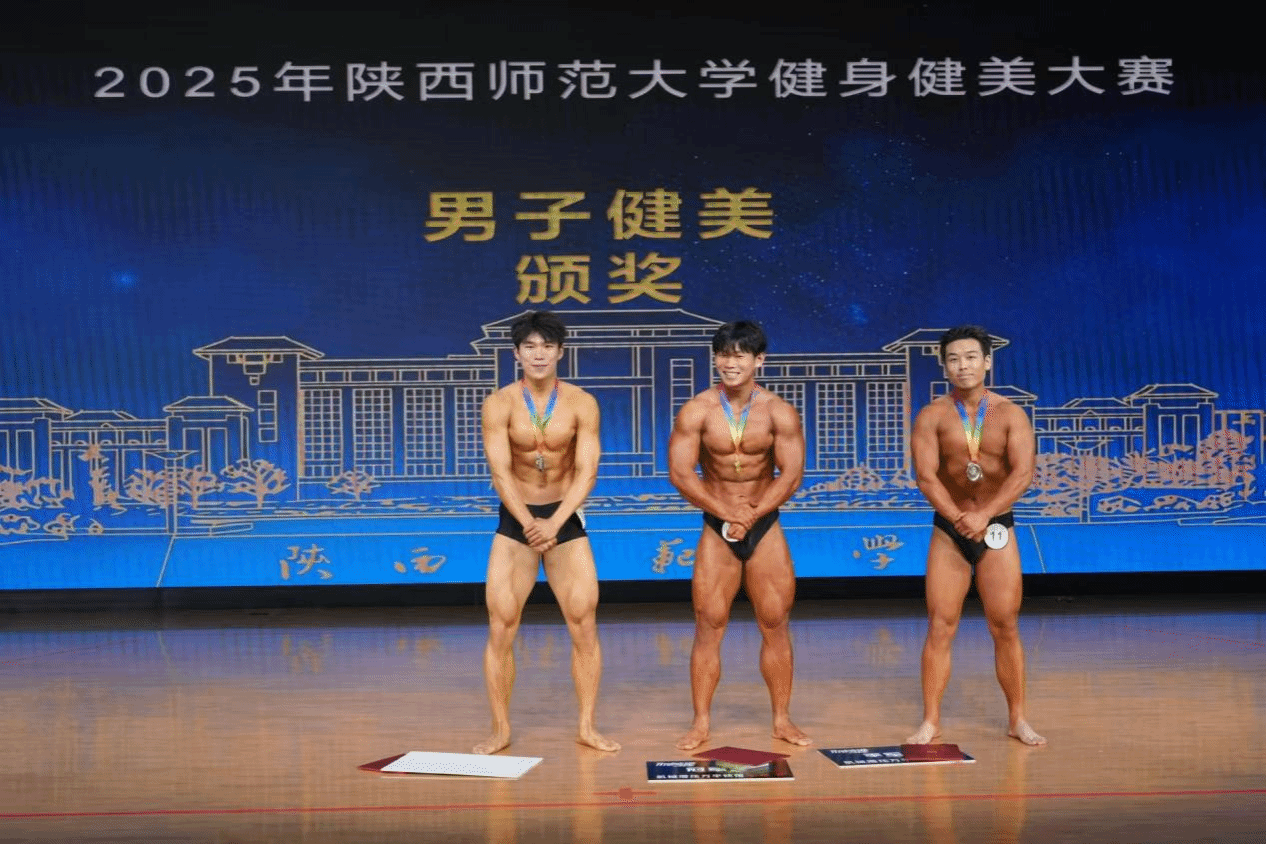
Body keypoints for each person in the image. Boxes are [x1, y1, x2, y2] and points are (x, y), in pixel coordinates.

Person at [474, 310, 619, 755]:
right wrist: (528, 523)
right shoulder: (499, 403)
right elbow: (500, 473)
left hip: (564, 518)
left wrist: (554, 523)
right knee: (502, 626)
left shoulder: (581, 403)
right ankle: (500, 729)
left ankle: (587, 726)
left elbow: (587, 471)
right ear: (517, 354)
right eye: (530, 347)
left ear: (560, 352)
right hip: (516, 519)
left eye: (547, 347)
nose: (539, 355)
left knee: (584, 624)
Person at [668, 320, 810, 751]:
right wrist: (726, 512)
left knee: (775, 622)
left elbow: (791, 474)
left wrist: (751, 514)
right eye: (724, 355)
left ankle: (782, 719)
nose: (731, 363)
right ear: (716, 359)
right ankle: (700, 723)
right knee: (708, 623)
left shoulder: (779, 411)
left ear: (758, 360)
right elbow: (680, 474)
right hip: (718, 523)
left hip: (763, 523)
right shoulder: (697, 410)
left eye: (740, 355)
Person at [906, 325, 1046, 747]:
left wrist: (984, 514)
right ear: (944, 366)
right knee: (940, 625)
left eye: (970, 357)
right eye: (953, 359)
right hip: (951, 530)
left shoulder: (1010, 414)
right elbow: (926, 477)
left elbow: (1022, 473)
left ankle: (1018, 719)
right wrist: (959, 517)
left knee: (1005, 625)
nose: (962, 366)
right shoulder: (932, 415)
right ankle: (931, 721)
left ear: (987, 362)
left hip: (997, 526)